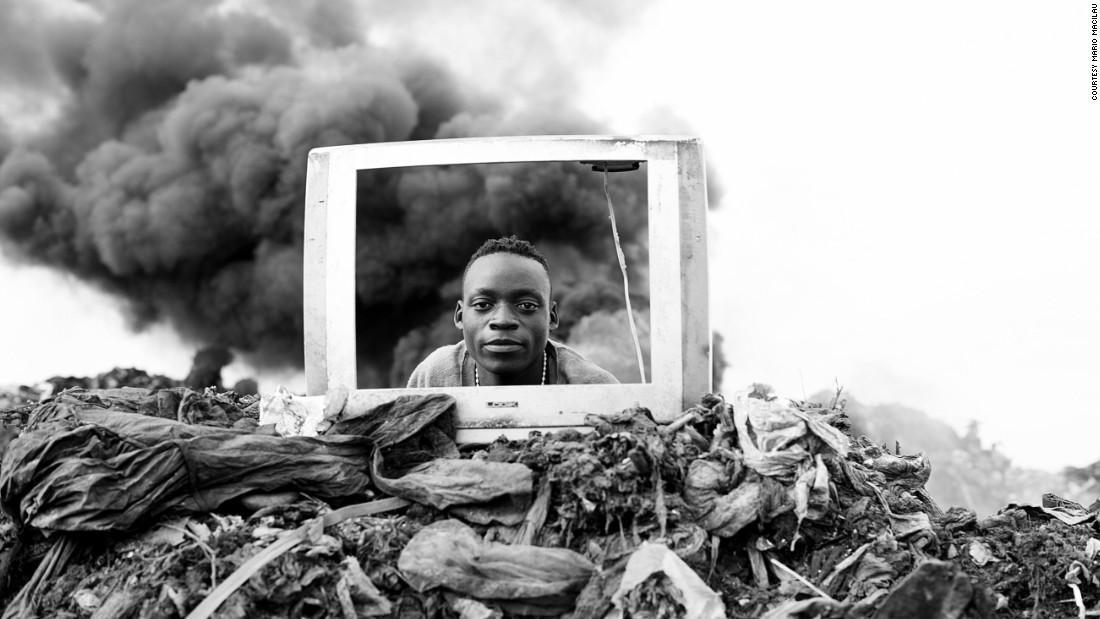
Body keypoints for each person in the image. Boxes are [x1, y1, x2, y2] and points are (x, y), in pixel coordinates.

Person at [407, 236, 619, 387]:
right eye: (482, 305)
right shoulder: (434, 377)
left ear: (552, 318)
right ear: (460, 316)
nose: (502, 320)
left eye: (526, 306)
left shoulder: (594, 387)